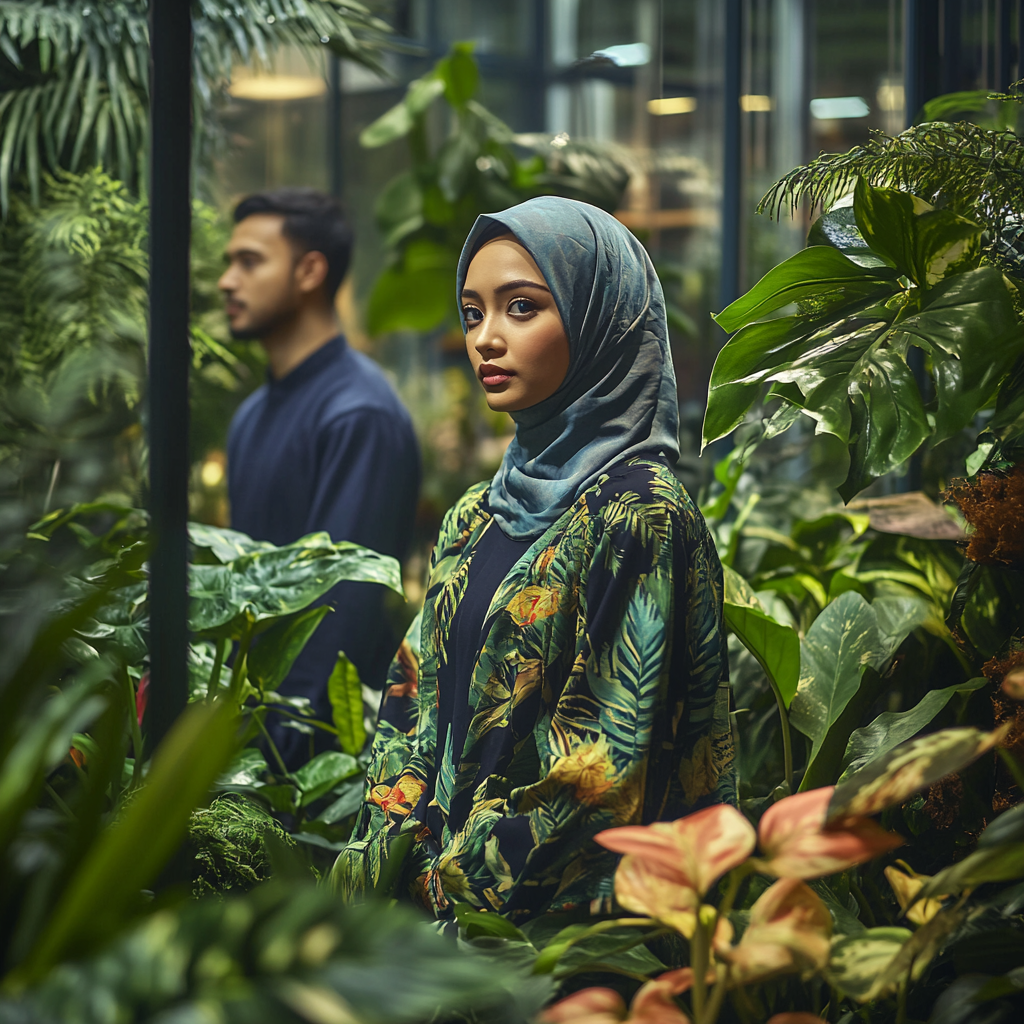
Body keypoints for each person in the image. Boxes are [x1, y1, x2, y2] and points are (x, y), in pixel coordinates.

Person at [335, 196, 734, 924]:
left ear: (599, 320)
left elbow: (605, 776)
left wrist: (444, 886)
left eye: (520, 308)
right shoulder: (473, 517)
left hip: (564, 948)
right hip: (434, 939)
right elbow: (410, 701)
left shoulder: (636, 517)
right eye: (473, 312)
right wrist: (387, 852)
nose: (485, 338)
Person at [221, 188, 420, 769]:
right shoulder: (251, 415)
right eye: (229, 262)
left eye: (250, 261)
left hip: (319, 774)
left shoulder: (359, 413)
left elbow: (341, 614)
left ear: (310, 270)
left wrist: (269, 767)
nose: (226, 281)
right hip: (249, 748)